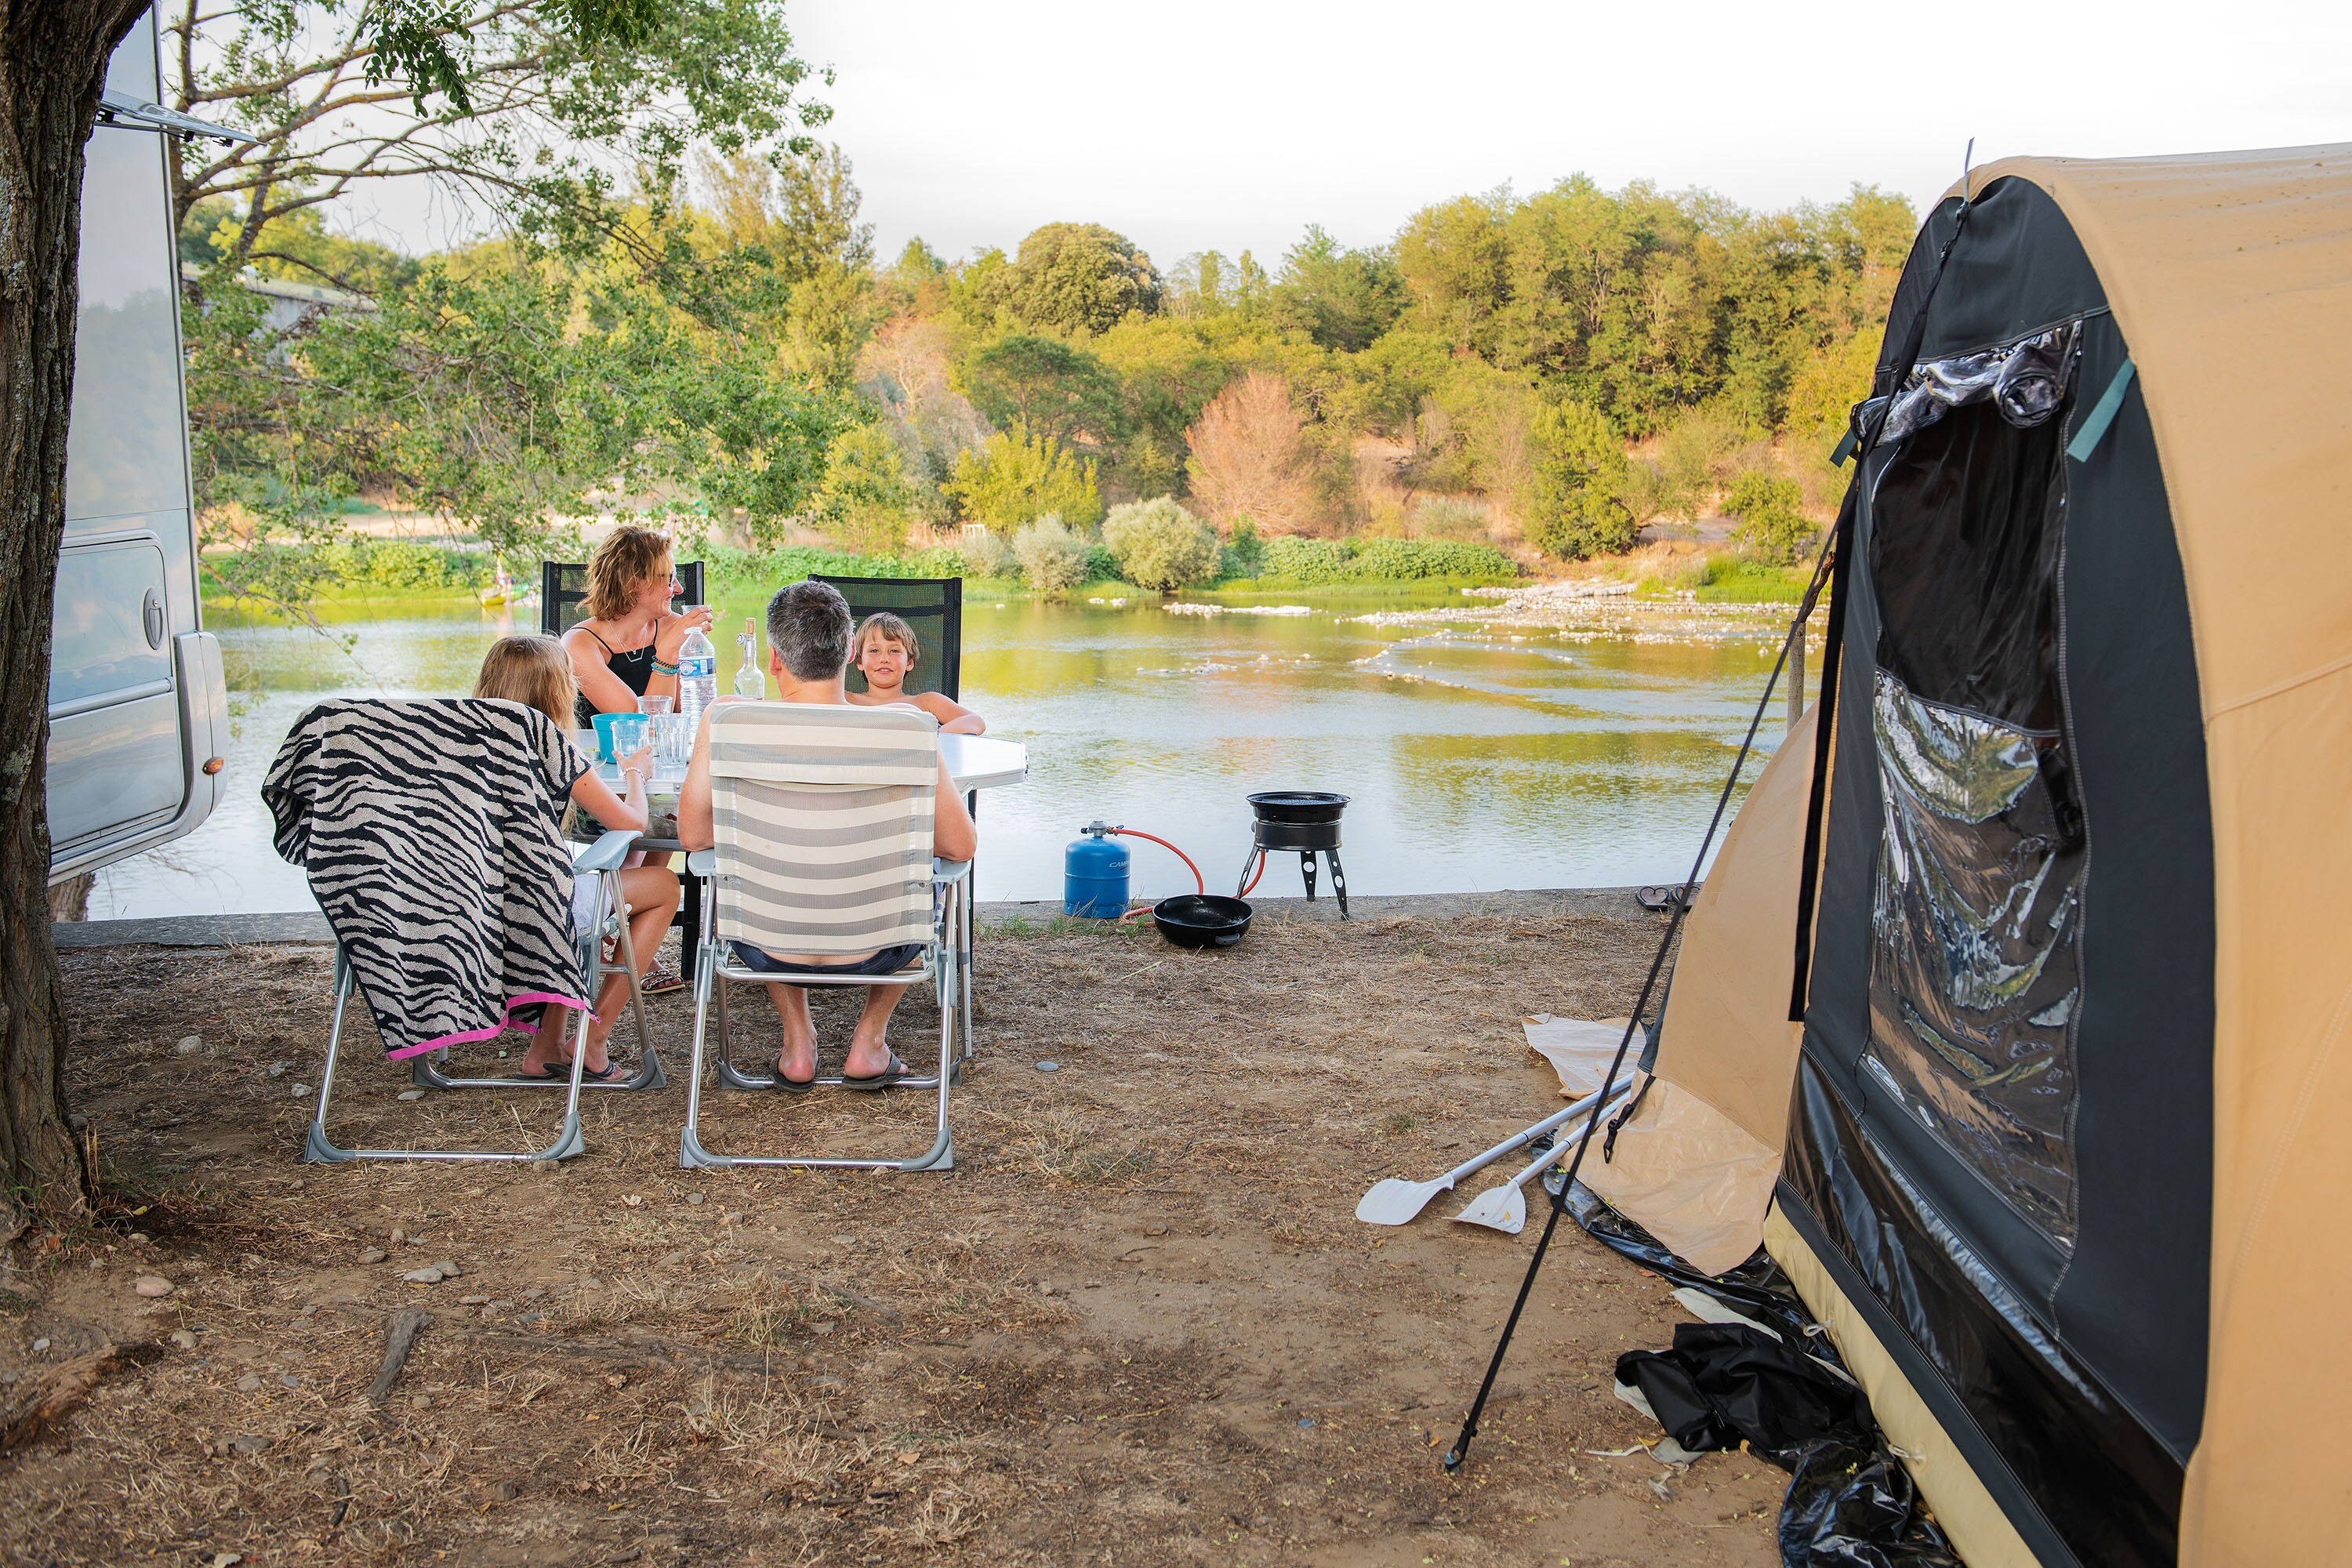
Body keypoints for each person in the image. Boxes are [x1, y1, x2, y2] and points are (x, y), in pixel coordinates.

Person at [678, 582, 977, 1091]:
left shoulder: (726, 720)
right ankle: (869, 1042)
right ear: (849, 653)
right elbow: (959, 848)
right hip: (882, 942)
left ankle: (798, 1044)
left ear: (774, 659)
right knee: (935, 879)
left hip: (764, 941)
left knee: (763, 872)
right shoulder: (907, 726)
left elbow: (693, 835)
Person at [474, 634, 681, 1082]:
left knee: (573, 871)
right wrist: (634, 774)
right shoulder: (548, 744)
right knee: (664, 887)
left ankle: (545, 1048)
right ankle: (593, 1037)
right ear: (556, 692)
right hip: (537, 904)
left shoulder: (459, 744)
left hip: (471, 899)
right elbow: (630, 823)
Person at [561, 525, 708, 993]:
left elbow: (688, 718)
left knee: (678, 813)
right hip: (592, 791)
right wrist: (666, 657)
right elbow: (635, 723)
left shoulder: (670, 630)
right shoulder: (579, 646)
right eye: (668, 579)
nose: (679, 589)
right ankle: (618, 945)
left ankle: (625, 953)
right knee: (659, 819)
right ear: (634, 585)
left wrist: (687, 653)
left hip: (651, 778)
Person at [847, 612, 985, 734]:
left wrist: (928, 738)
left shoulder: (926, 702)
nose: (884, 659)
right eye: (874, 651)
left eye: (894, 651)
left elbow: (975, 721)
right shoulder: (845, 699)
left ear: (909, 662)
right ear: (859, 661)